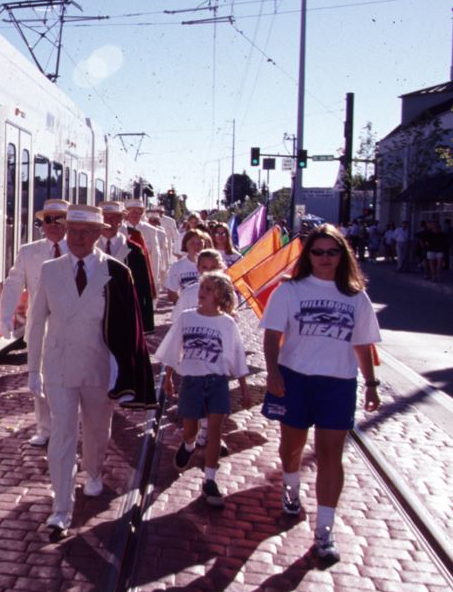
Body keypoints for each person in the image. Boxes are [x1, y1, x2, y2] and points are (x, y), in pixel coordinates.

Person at [260, 224, 382, 566]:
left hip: (338, 383)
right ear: (307, 254)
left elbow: (362, 343)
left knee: (331, 455)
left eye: (332, 252)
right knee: (292, 446)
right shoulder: (289, 291)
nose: (325, 258)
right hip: (295, 378)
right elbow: (272, 335)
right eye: (318, 251)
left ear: (343, 255)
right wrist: (272, 371)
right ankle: (291, 487)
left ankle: (324, 530)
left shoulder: (356, 296)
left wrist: (371, 383)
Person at [26, 204, 150, 538]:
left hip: (98, 368)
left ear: (98, 234)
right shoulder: (51, 270)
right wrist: (32, 369)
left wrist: (121, 371)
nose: (78, 238)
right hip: (59, 368)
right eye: (73, 231)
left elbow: (128, 329)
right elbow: (36, 323)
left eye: (85, 232)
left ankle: (93, 472)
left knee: (97, 431)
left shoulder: (116, 272)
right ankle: (61, 509)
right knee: (62, 437)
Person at [157, 271, 251, 508]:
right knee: (191, 429)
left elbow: (237, 355)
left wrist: (244, 387)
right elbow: (173, 347)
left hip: (217, 381)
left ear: (220, 295)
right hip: (192, 381)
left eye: (209, 288)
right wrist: (168, 377)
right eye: (202, 287)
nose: (203, 292)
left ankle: (210, 480)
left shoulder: (227, 323)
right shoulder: (187, 318)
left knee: (214, 430)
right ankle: (188, 444)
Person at [0, 198, 70, 448]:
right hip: (39, 328)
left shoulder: (79, 249)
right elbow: (13, 283)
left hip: (72, 328)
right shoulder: (29, 251)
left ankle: (65, 428)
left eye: (59, 218)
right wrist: (6, 315)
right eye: (47, 219)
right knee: (39, 379)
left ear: (68, 222)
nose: (53, 224)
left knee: (68, 379)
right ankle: (44, 429)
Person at [97, 200, 155, 332]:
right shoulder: (88, 248)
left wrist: (146, 323)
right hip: (94, 316)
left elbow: (144, 288)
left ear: (121, 220)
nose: (109, 222)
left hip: (125, 314)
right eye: (105, 217)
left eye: (114, 218)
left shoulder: (135, 250)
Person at [122, 198, 166, 289]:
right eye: (131, 210)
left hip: (144, 275)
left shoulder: (151, 230)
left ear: (142, 213)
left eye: (138, 210)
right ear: (126, 213)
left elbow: (155, 256)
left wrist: (153, 280)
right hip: (123, 275)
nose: (134, 213)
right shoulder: (119, 230)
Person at [164, 229, 212, 303]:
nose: (196, 246)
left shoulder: (212, 265)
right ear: (185, 244)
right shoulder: (177, 267)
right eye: (192, 243)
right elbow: (172, 292)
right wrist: (182, 305)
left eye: (200, 243)